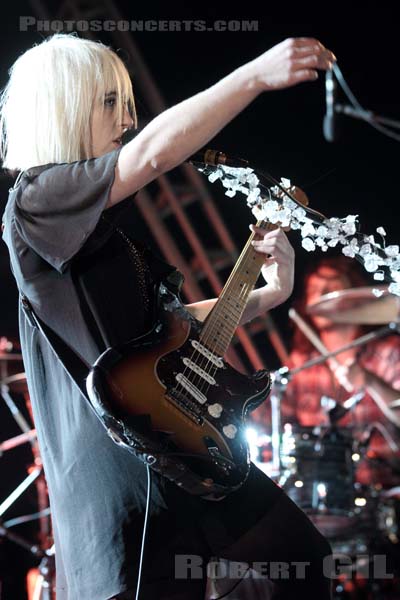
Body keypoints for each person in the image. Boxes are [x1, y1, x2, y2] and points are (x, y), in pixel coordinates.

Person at [1, 34, 336, 600]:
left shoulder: (101, 233)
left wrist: (268, 296)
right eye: (109, 102)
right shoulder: (37, 202)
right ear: (62, 104)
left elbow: (172, 327)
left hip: (179, 446)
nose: (127, 119)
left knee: (300, 561)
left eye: (127, 105)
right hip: (124, 470)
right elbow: (155, 152)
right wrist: (254, 75)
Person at [281, 255, 400, 486]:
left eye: (331, 288)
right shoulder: (300, 365)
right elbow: (269, 428)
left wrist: (371, 382)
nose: (320, 297)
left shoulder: (390, 352)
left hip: (384, 492)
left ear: (355, 296)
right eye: (313, 289)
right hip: (319, 497)